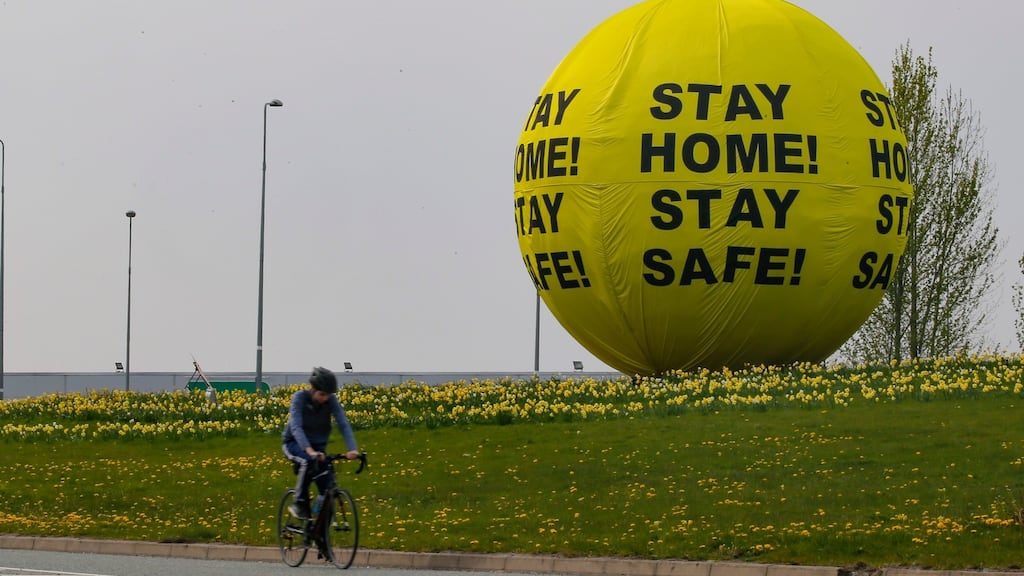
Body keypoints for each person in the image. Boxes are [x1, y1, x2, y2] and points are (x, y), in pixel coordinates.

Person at [282, 366, 360, 519]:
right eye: (322, 394)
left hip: (318, 449)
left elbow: (343, 424)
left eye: (328, 395)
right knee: (307, 461)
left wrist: (352, 449)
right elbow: (296, 427)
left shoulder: (330, 401)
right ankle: (299, 503)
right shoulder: (300, 398)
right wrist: (308, 450)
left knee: (327, 493)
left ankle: (321, 538)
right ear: (312, 389)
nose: (325, 398)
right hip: (294, 444)